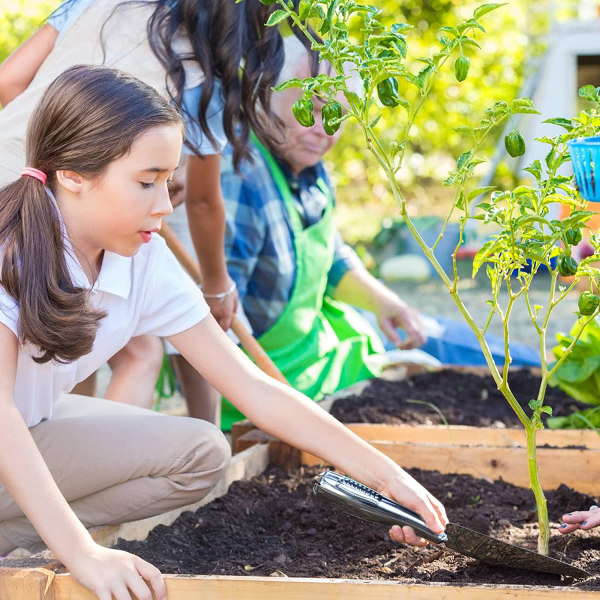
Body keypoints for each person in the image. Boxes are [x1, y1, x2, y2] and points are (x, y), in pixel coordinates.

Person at [0, 65, 447, 600]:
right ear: (72, 173)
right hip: (9, 428)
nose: (165, 204)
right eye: (146, 182)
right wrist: (83, 554)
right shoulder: (12, 252)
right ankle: (55, 538)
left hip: (29, 425)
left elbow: (252, 387)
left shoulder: (140, 256)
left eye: (168, 181)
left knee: (204, 454)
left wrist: (387, 476)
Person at [0, 0, 309, 405]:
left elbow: (8, 81)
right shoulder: (208, 72)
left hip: (23, 164)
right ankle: (94, 461)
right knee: (135, 350)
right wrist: (217, 284)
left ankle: (65, 445)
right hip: (58, 194)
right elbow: (201, 201)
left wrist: (129, 174)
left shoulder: (96, 3)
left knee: (69, 343)